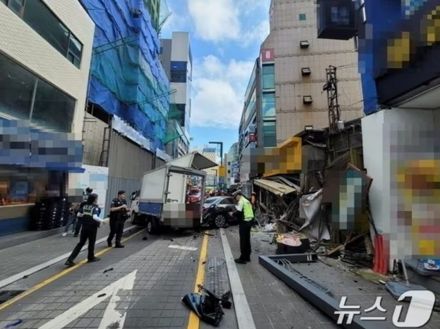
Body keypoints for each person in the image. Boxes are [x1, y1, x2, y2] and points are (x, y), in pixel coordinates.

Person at [65, 193, 103, 266]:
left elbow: (78, 214)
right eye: (96, 198)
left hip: (84, 227)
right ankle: (90, 257)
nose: (97, 200)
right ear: (94, 199)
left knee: (80, 243)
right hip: (92, 228)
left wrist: (85, 217)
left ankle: (70, 260)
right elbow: (95, 217)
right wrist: (102, 221)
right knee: (91, 242)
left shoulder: (85, 206)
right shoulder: (94, 207)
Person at [233, 191, 254, 264]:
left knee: (243, 241)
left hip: (244, 224)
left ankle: (242, 259)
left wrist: (232, 214)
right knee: (247, 240)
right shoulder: (247, 201)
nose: (236, 199)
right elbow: (251, 211)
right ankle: (248, 257)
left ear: (239, 195)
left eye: (236, 197)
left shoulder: (241, 201)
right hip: (249, 222)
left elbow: (238, 213)